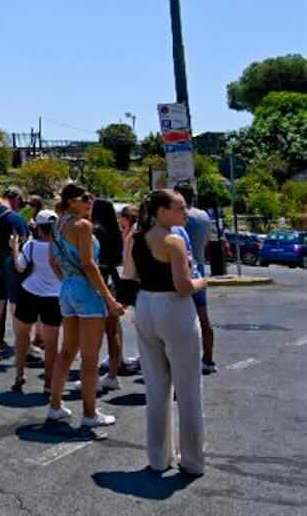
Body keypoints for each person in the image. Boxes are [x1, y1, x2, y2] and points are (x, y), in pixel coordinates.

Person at [127, 189, 208, 476]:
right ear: (162, 212)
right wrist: (203, 281)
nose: (185, 212)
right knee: (188, 388)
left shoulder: (135, 238)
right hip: (173, 308)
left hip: (145, 305)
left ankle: (158, 457)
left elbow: (129, 275)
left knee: (156, 387)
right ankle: (192, 460)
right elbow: (183, 286)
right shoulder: (174, 241)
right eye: (180, 208)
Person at [46, 184, 125, 428]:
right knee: (90, 357)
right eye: (84, 198)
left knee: (67, 351)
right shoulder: (82, 225)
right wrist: (109, 298)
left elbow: (53, 261)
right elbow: (89, 264)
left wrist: (68, 280)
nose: (90, 201)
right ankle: (89, 414)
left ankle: (55, 406)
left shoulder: (57, 225)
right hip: (86, 290)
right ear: (71, 201)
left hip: (67, 287)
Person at [11, 210, 63, 395]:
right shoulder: (61, 247)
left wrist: (14, 247)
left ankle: (19, 374)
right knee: (51, 343)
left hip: (31, 292)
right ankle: (48, 382)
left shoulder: (31, 245)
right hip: (55, 295)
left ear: (39, 228)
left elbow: (20, 267)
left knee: (22, 336)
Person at [0, 188, 30, 359]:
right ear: (13, 200)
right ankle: (22, 347)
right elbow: (25, 242)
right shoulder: (15, 219)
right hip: (12, 266)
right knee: (16, 308)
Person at [175, 185, 217, 375]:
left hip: (182, 269)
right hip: (199, 267)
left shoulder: (180, 218)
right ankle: (208, 359)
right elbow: (206, 242)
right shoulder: (203, 216)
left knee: (179, 320)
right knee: (203, 317)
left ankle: (182, 361)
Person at [92, 199, 126, 392]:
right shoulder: (116, 231)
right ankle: (113, 373)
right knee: (112, 331)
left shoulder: (96, 231)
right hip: (114, 279)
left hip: (100, 280)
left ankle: (92, 377)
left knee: (94, 331)